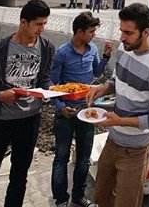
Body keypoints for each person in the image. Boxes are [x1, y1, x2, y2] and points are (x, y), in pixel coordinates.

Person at [0, 0, 55, 207]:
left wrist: (51, 90)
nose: (42, 29)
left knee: (19, 176)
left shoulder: (47, 47)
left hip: (30, 121)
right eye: (38, 24)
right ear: (23, 22)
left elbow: (43, 79)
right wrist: (0, 96)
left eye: (44, 24)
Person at [86, 3, 149, 207]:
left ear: (146, 31)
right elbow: (118, 80)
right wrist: (103, 87)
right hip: (111, 142)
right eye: (121, 31)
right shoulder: (124, 51)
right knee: (101, 198)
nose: (122, 37)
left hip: (134, 150)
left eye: (128, 33)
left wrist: (120, 120)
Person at [50, 12, 113, 207]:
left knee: (84, 158)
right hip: (66, 113)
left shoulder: (92, 48)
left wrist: (105, 57)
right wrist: (61, 108)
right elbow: (52, 86)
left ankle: (79, 196)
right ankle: (61, 200)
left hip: (87, 111)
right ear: (79, 31)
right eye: (91, 31)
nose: (94, 35)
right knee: (61, 157)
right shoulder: (62, 53)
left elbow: (96, 73)